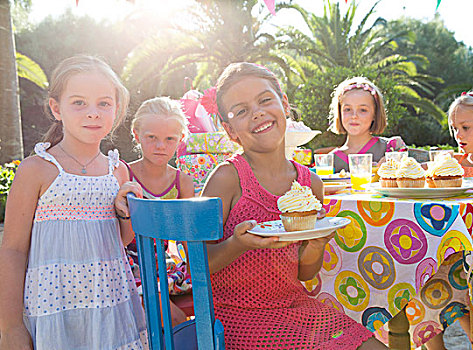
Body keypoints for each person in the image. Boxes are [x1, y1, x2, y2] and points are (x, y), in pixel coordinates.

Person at [201, 62, 386, 349]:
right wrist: (238, 244)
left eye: (265, 100)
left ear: (284, 105)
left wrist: (317, 243)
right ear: (230, 130)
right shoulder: (227, 178)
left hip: (297, 308)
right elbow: (197, 262)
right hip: (235, 317)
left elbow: (304, 272)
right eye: (241, 111)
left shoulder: (310, 184)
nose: (257, 113)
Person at [0, 55, 148, 349]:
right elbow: (13, 250)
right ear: (57, 108)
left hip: (109, 305)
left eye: (104, 103)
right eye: (79, 102)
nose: (93, 113)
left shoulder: (117, 170)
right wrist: (10, 328)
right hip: (53, 309)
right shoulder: (37, 169)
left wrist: (125, 212)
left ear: (116, 109)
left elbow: (121, 240)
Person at [124, 96, 194, 325]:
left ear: (180, 139)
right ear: (137, 135)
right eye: (151, 138)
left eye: (169, 139)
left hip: (164, 264)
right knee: (172, 317)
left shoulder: (182, 181)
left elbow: (186, 236)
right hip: (127, 262)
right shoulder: (123, 174)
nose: (160, 146)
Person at [328, 77, 407, 172]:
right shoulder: (330, 160)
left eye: (363, 110)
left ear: (375, 114)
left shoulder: (392, 148)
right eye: (348, 109)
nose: (354, 116)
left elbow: (417, 172)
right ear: (339, 113)